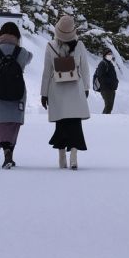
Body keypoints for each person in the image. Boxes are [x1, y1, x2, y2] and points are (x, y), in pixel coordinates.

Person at [42, 12, 91, 168]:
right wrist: (86, 88)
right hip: (75, 89)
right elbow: (85, 69)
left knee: (61, 124)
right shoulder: (80, 45)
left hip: (57, 90)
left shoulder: (50, 46)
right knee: (75, 124)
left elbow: (46, 72)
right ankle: (74, 157)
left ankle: (62, 158)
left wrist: (43, 94)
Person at [0, 20, 32, 168]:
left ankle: (6, 152)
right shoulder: (21, 52)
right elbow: (30, 57)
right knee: (13, 124)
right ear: (17, 36)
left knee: (2, 124)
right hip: (18, 93)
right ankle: (11, 151)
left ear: (0, 35)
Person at [93, 50, 119, 114]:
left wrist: (116, 81)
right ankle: (104, 119)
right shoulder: (103, 63)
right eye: (109, 54)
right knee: (108, 106)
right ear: (105, 55)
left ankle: (107, 119)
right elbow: (101, 76)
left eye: (111, 54)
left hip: (112, 88)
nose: (110, 55)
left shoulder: (110, 63)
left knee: (110, 106)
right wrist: (110, 82)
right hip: (106, 88)